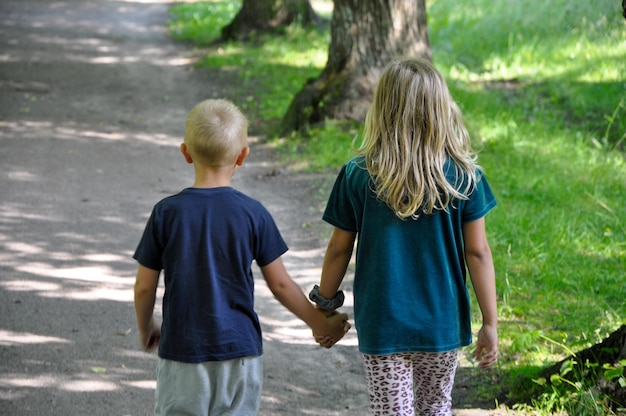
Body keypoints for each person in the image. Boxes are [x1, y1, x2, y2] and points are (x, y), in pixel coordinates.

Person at [133, 98, 350, 415]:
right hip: (241, 353)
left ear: (186, 153)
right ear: (243, 156)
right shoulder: (253, 214)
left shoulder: (166, 214)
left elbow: (143, 287)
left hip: (183, 353)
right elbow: (280, 284)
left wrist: (146, 327)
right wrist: (319, 322)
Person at [309, 57, 498, 415]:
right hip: (441, 324)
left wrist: (325, 306)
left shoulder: (359, 174)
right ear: (440, 109)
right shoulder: (464, 177)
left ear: (383, 109)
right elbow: (478, 253)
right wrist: (490, 322)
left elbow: (338, 250)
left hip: (384, 325)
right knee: (436, 407)